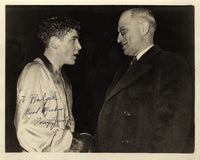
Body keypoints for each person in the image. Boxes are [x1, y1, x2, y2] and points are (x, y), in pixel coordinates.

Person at [96, 8, 193, 152]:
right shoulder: (122, 72)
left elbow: (173, 131)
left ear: (143, 28)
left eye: (123, 31)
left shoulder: (171, 64)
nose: (118, 39)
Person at [14, 16, 94, 152]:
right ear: (54, 43)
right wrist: (73, 141)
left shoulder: (64, 79)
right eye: (73, 40)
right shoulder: (35, 72)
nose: (79, 46)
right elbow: (26, 127)